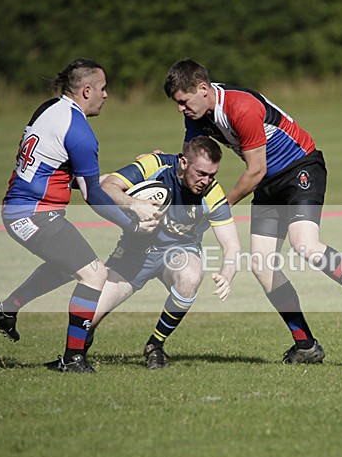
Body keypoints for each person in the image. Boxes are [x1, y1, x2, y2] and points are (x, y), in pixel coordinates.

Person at [163, 59, 342, 364]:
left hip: (300, 167)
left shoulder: (241, 107)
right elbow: (189, 163)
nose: (181, 109)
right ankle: (306, 346)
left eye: (183, 101)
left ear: (203, 89)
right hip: (268, 183)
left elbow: (255, 169)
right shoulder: (197, 117)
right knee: (261, 265)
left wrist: (218, 208)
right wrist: (165, 167)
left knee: (305, 245)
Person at [0, 58, 161, 373]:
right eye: (103, 89)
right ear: (86, 90)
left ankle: (7, 310)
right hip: (33, 214)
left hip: (20, 209)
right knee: (94, 274)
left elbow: (55, 170)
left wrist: (116, 195)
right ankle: (72, 358)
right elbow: (93, 195)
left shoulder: (49, 108)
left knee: (69, 266)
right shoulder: (80, 131)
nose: (106, 95)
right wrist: (132, 225)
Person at [87, 135, 240, 369]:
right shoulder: (155, 165)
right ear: (184, 162)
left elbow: (232, 245)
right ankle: (76, 354)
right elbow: (107, 186)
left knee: (190, 277)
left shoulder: (212, 193)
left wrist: (227, 275)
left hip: (178, 252)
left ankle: (155, 345)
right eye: (201, 173)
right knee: (88, 318)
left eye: (212, 175)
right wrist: (133, 204)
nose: (206, 181)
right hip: (134, 252)